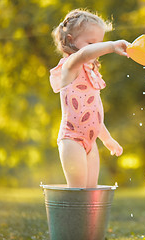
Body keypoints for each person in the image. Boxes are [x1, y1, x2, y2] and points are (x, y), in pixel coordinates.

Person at [50, 9, 130, 188]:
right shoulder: (71, 65)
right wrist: (110, 46)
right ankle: (72, 216)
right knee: (78, 192)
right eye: (91, 43)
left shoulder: (92, 72)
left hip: (91, 141)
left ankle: (87, 216)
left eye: (99, 43)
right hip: (72, 140)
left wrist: (107, 139)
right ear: (71, 40)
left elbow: (92, 113)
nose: (97, 48)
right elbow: (83, 55)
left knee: (91, 192)